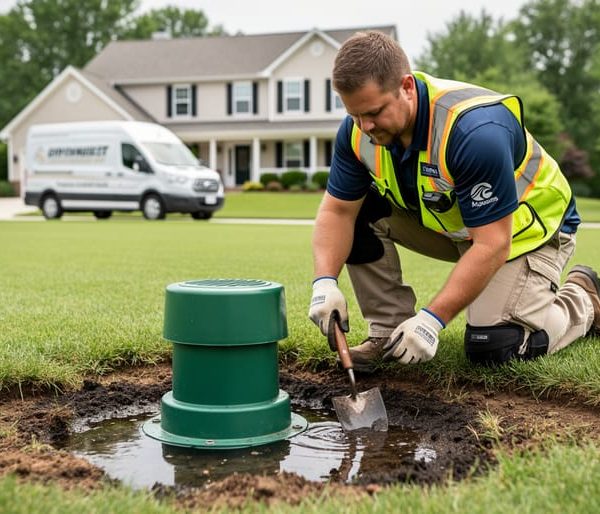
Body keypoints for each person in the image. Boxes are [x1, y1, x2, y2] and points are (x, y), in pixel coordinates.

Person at [308, 30, 599, 372]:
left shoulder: (474, 131)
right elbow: (338, 211)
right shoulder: (358, 131)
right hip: (459, 227)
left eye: (374, 112)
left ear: (405, 87)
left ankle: (583, 300)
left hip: (529, 232)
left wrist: (432, 321)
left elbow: (493, 243)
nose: (365, 126)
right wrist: (324, 281)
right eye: (355, 114)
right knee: (362, 212)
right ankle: (388, 333)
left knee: (495, 347)